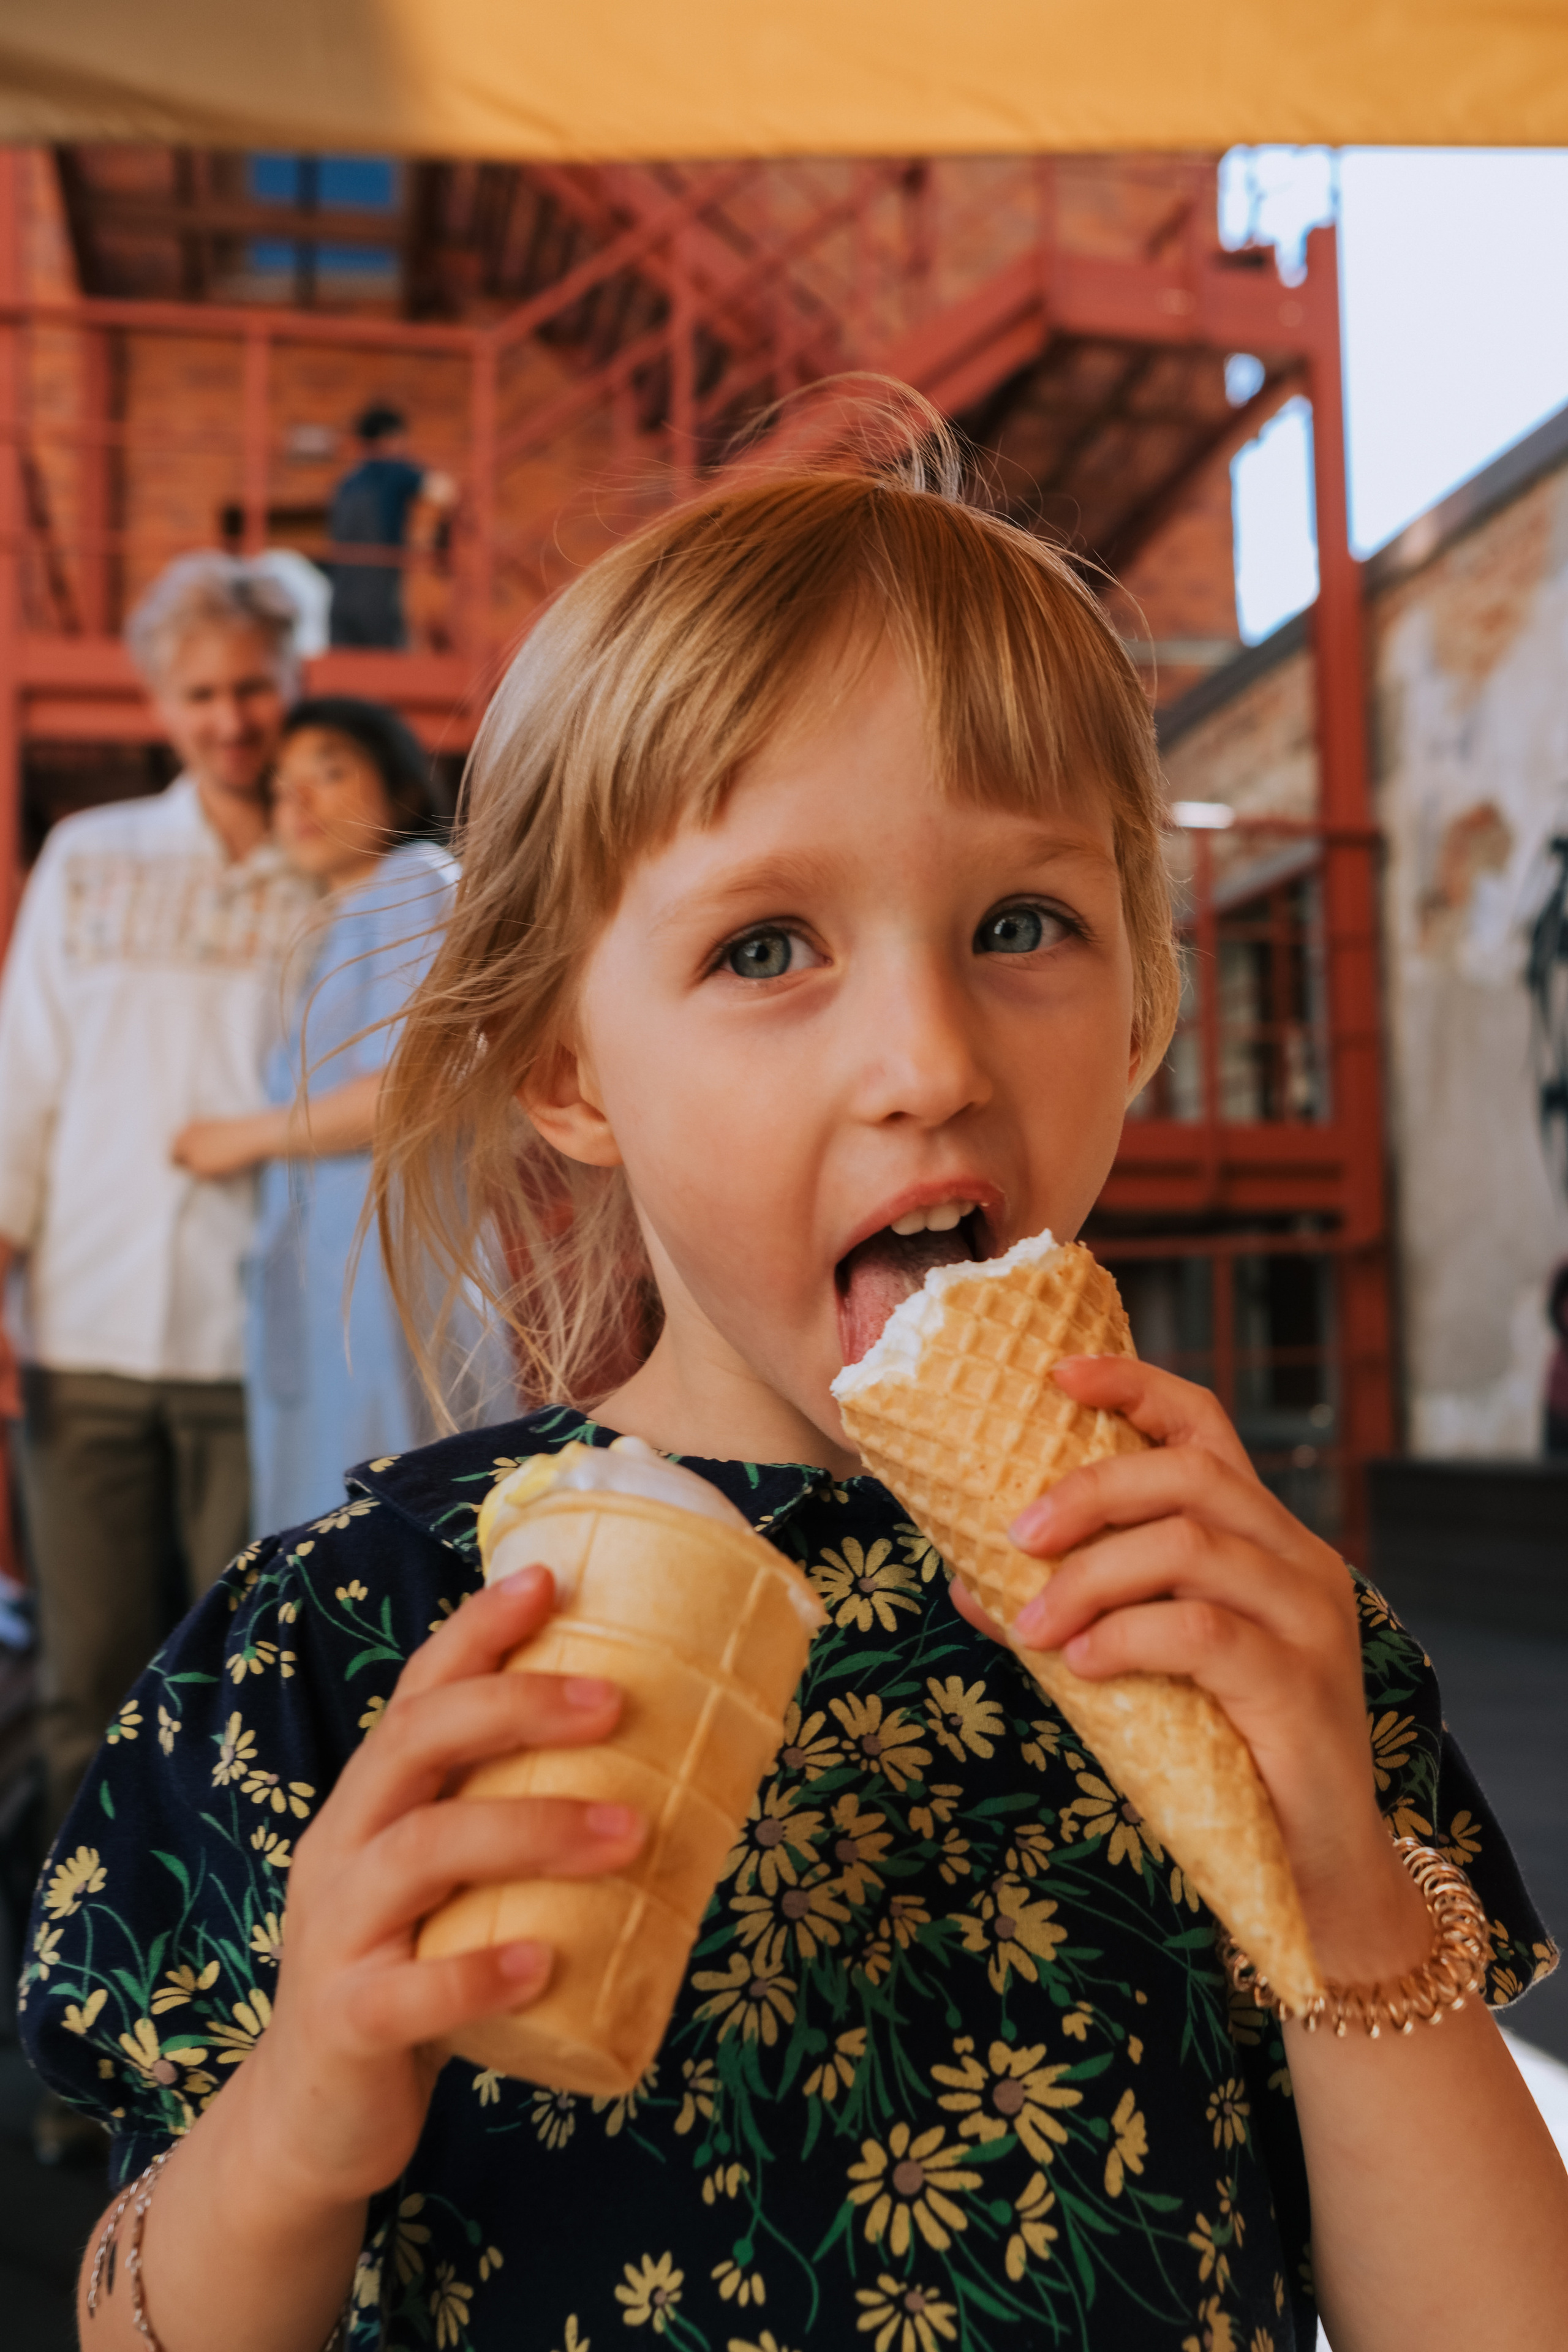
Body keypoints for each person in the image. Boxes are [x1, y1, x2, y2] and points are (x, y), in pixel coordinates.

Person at [22, 445, 1568, 2352]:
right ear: (567, 1068)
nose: (925, 1058)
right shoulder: (352, 1635)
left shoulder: (1272, 1638)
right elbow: (130, 2309)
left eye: (1022, 924)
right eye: (766, 947)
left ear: (1146, 996)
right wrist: (292, 2128)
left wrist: (1343, 1888)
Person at [0, 553, 315, 1840]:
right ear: (159, 704)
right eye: (200, 694)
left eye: (253, 687)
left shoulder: (348, 879)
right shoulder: (92, 857)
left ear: (298, 681)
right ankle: (81, 1979)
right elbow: (24, 1082)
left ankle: (223, 1955)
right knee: (88, 1678)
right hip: (87, 1329)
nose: (230, 718)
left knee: (249, 1675)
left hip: (269, 1347)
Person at [171, 697, 508, 1532]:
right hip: (336, 1286)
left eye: (329, 772)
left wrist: (237, 1140)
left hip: (387, 1274)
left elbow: (411, 1090)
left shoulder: (413, 884)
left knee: (396, 1522)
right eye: (282, 788)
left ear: (396, 786)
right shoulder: (339, 918)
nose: (302, 803)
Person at [326, 404, 456, 652]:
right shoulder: (395, 471)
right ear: (389, 438)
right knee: (388, 664)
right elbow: (446, 492)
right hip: (378, 596)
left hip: (341, 599)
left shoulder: (347, 483)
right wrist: (442, 537)